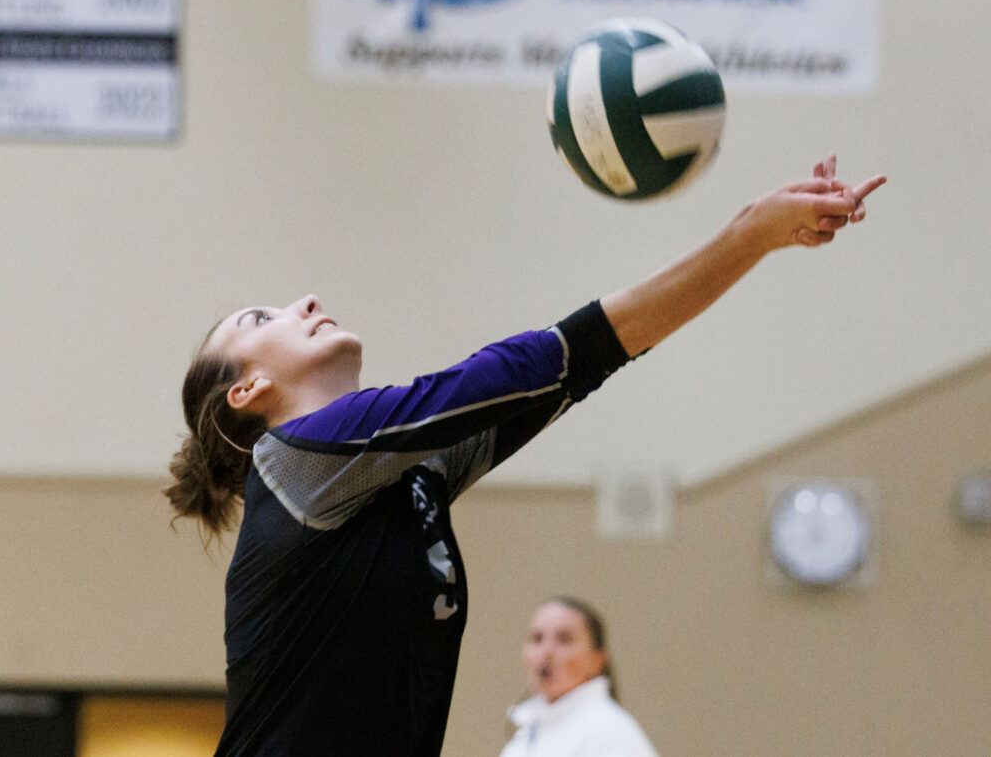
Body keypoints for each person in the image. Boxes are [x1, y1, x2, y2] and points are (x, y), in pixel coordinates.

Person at [165, 156, 885, 756]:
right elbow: (522, 366)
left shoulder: (410, 473)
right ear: (249, 390)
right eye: (262, 320)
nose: (306, 300)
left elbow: (585, 359)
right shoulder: (295, 460)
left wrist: (755, 237)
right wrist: (748, 234)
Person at [500, 597, 658, 757]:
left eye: (564, 639)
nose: (546, 651)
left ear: (598, 659)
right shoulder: (528, 734)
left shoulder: (608, 731)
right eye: (537, 638)